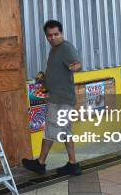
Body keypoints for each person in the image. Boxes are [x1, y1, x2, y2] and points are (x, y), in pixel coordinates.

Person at [22, 20, 83, 176]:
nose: (53, 38)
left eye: (56, 34)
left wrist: (74, 66)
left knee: (50, 130)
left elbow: (77, 64)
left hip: (60, 100)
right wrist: (44, 79)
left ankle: (40, 163)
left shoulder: (65, 48)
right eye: (49, 35)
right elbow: (58, 73)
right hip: (62, 98)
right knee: (65, 131)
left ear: (61, 33)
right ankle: (73, 164)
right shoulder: (54, 50)